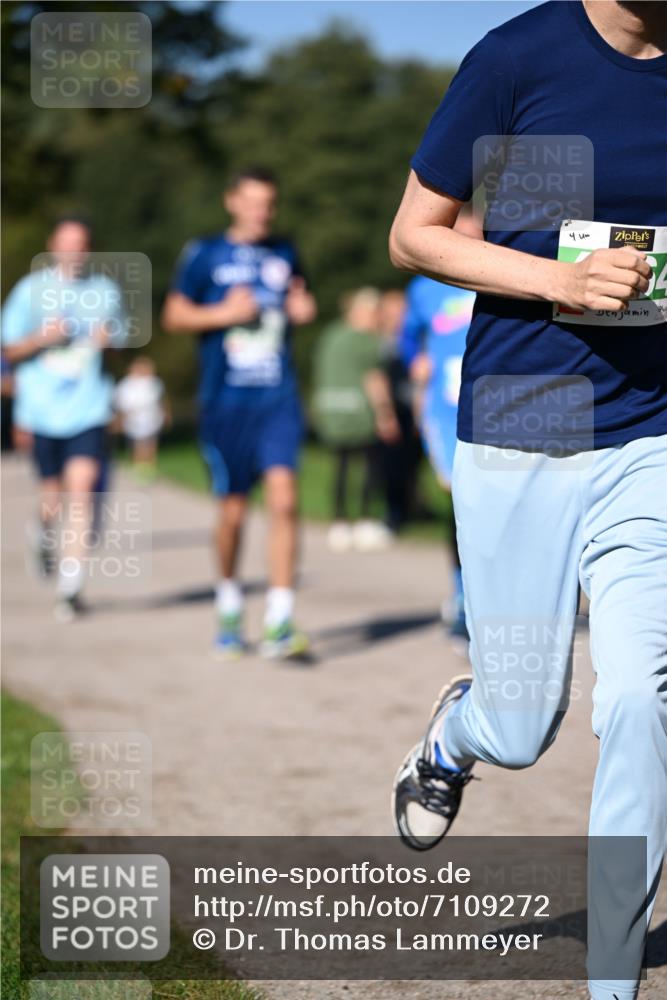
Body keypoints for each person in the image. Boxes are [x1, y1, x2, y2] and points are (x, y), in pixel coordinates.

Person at [389, 4, 666, 1000]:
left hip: (652, 431)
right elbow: (414, 236)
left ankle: (611, 982)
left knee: (642, 695)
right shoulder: (517, 58)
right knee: (520, 722)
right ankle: (453, 738)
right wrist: (562, 277)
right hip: (524, 424)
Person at [161, 167, 317, 660]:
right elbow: (174, 316)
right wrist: (224, 315)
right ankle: (229, 601)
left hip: (277, 397)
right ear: (232, 201)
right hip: (225, 402)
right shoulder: (204, 253)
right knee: (231, 513)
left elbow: (300, 301)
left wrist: (302, 309)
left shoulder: (286, 251)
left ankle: (279, 620)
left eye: (269, 203)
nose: (262, 212)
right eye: (252, 202)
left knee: (286, 501)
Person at [1, 216, 127, 620]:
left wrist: (109, 344)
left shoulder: (105, 291)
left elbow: (119, 347)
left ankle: (70, 588)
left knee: (83, 491)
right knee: (52, 499)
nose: (74, 250)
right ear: (52, 246)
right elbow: (7, 351)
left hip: (88, 409)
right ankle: (40, 531)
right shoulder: (30, 291)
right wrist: (42, 338)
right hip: (41, 411)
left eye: (81, 243)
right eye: (67, 243)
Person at [398, 210, 480, 639]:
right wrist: (417, 361)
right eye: (460, 222)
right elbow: (407, 341)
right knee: (460, 498)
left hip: (499, 407)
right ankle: (463, 597)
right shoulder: (423, 288)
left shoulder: (503, 272)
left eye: (475, 221)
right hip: (445, 410)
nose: (468, 230)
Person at [312, 287, 401, 553]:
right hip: (361, 412)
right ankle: (364, 522)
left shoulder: (330, 335)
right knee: (370, 468)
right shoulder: (367, 341)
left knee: (340, 466)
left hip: (332, 408)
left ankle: (339, 523)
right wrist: (386, 414)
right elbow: (375, 380)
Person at [114, 356, 170, 481]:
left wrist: (165, 413)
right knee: (138, 443)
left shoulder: (154, 382)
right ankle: (139, 468)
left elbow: (161, 400)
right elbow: (123, 404)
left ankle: (150, 467)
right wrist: (121, 420)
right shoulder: (127, 384)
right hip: (134, 419)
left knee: (151, 443)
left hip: (152, 417)